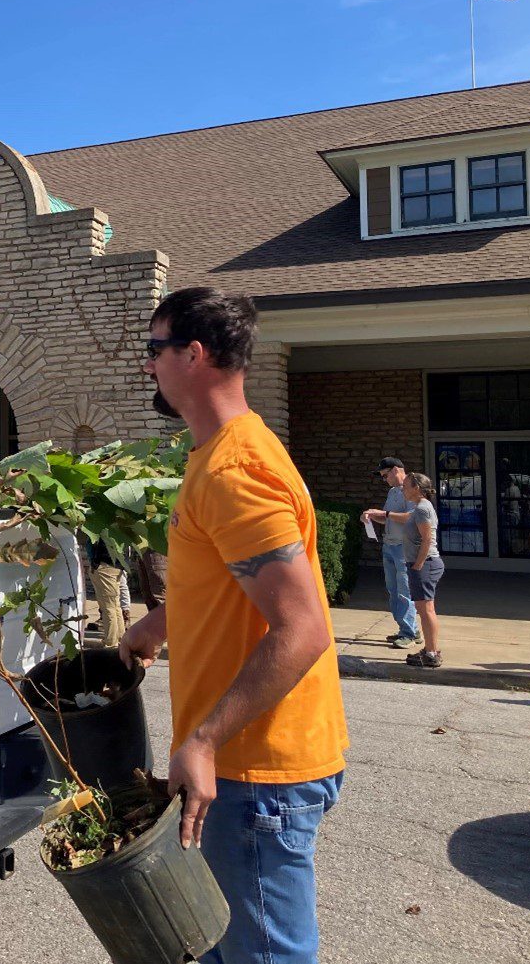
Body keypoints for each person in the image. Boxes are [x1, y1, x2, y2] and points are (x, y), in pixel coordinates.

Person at [119, 287, 348, 964]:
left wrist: (206, 740)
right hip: (246, 770)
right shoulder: (221, 453)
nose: (147, 367)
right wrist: (158, 624)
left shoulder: (236, 469)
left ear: (194, 354)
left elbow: (302, 628)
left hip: (254, 771)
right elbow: (228, 583)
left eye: (154, 350)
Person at [370, 472, 444, 669]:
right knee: (423, 609)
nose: (403, 489)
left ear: (417, 488)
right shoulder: (419, 507)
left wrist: (418, 564)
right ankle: (430, 650)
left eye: (406, 486)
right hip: (422, 564)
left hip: (425, 564)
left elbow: (427, 539)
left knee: (427, 610)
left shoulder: (421, 508)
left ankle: (431, 653)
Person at [360, 458, 420, 648]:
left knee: (404, 591)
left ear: (396, 470)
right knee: (393, 591)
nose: (384, 479)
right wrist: (371, 517)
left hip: (404, 547)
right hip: (389, 545)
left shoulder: (411, 489)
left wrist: (384, 514)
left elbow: (411, 518)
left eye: (385, 475)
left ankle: (408, 633)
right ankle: (408, 628)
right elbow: (388, 519)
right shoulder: (393, 492)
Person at [84, 537, 127, 644]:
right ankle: (120, 638)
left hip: (105, 566)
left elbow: (93, 544)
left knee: (108, 608)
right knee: (115, 606)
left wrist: (95, 563)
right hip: (115, 566)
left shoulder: (102, 527)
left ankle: (111, 642)